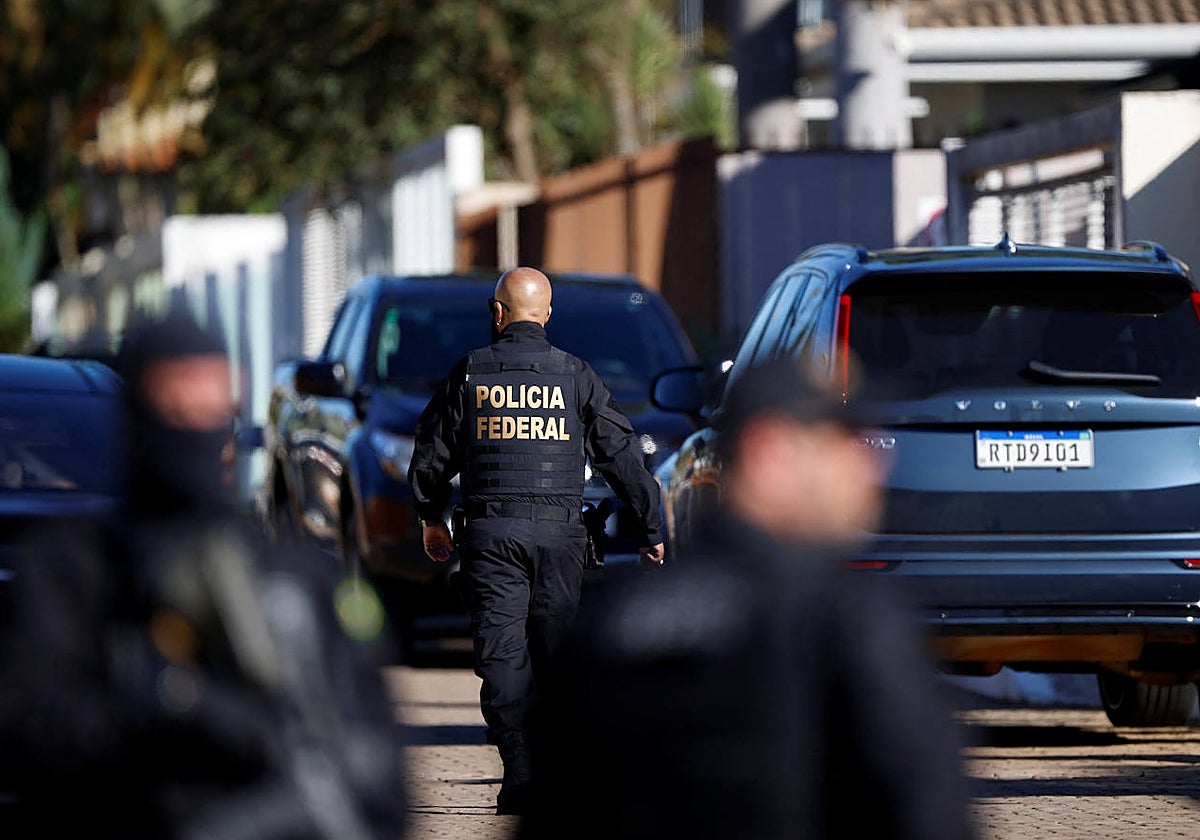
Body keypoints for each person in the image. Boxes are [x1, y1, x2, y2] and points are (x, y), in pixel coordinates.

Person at [519, 356, 977, 840]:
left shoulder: (606, 620)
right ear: (771, 453)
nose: (872, 460)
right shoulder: (843, 616)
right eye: (843, 440)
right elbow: (926, 810)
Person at [0, 307, 406, 838]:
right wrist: (166, 712)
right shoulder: (73, 572)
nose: (196, 422)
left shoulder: (295, 575)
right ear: (136, 414)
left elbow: (379, 773)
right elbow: (33, 732)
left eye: (212, 404)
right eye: (173, 403)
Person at [408, 266, 665, 815]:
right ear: (546, 315)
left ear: (497, 313)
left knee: (501, 654)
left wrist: (430, 516)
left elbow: (431, 455)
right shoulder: (575, 375)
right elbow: (622, 455)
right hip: (560, 538)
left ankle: (521, 774)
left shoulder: (471, 372)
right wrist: (650, 528)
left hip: (491, 535)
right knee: (557, 653)